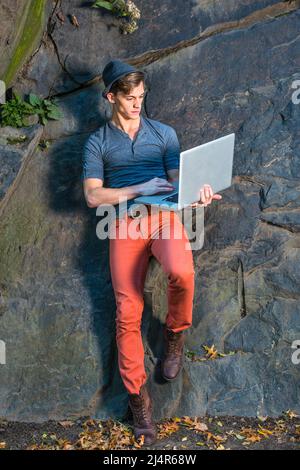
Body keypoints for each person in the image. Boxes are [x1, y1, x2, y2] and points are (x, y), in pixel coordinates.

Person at [82, 59, 222, 445]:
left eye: (141, 97)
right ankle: (138, 399)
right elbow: (94, 195)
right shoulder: (98, 142)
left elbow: (180, 185)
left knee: (184, 273)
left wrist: (198, 197)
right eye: (129, 98)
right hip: (123, 224)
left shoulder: (163, 134)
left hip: (164, 218)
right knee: (127, 310)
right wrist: (136, 189)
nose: (137, 104)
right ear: (111, 97)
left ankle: (175, 334)